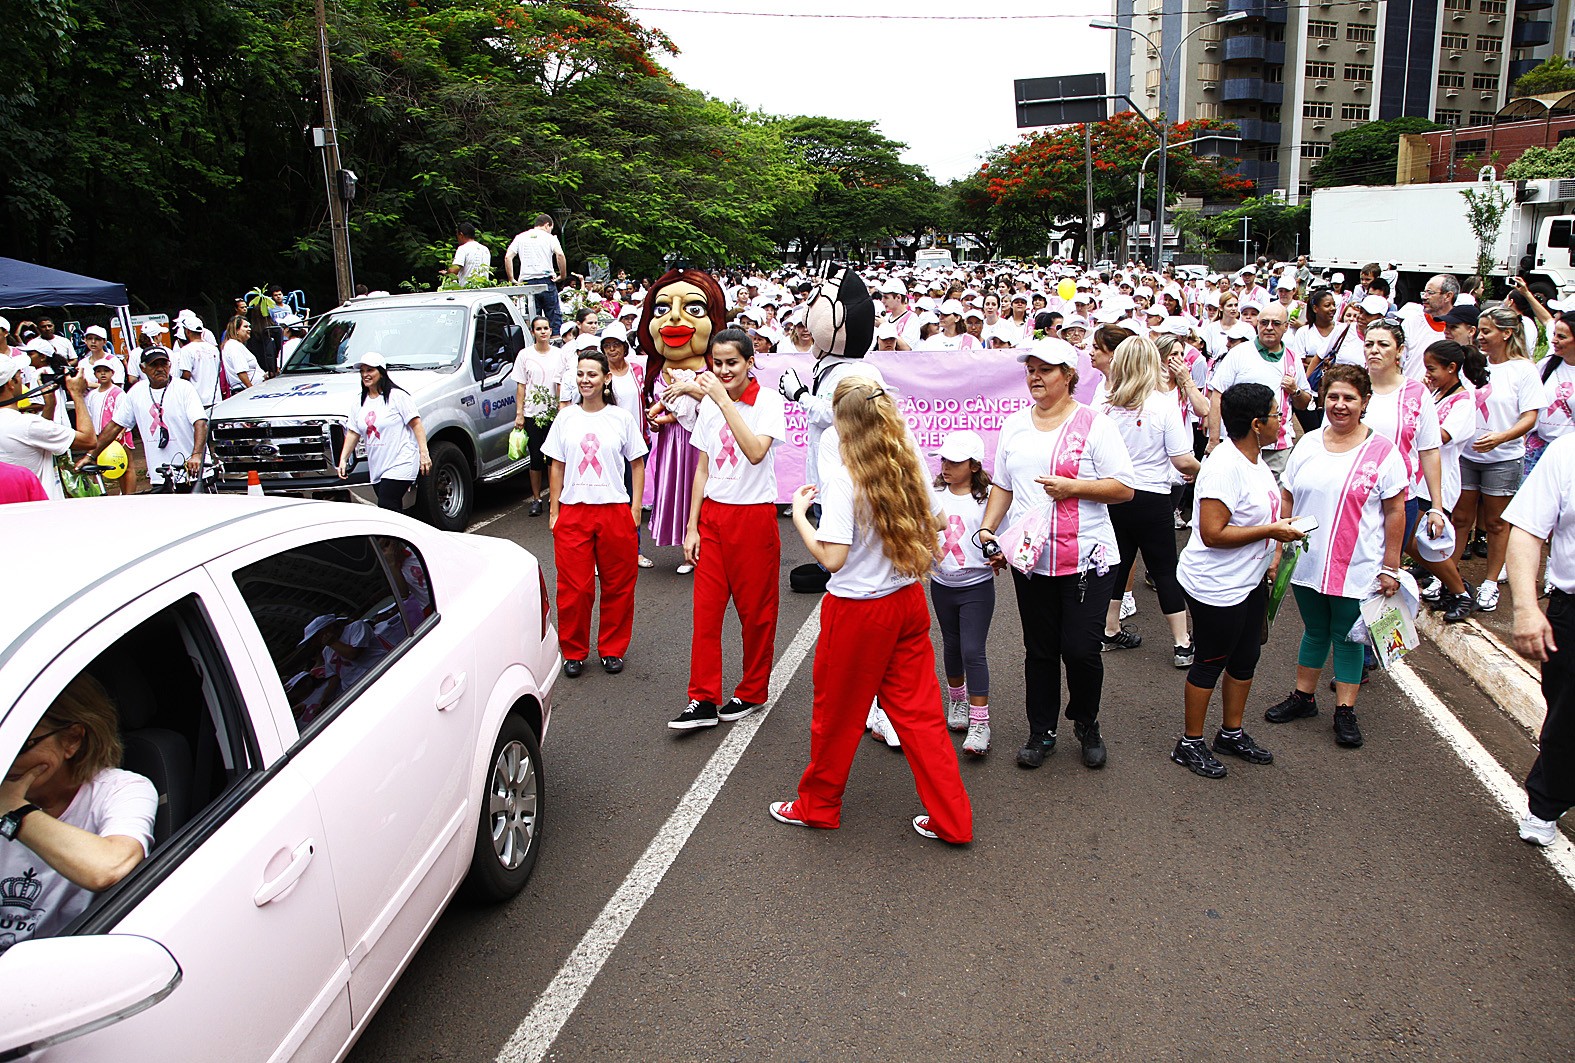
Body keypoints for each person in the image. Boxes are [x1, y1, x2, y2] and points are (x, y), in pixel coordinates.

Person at [769, 376, 973, 845]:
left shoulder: (844, 478)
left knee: (835, 717)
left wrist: (801, 513)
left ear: (843, 422)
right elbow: (939, 520)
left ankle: (818, 806)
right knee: (921, 716)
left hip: (859, 611)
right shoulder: (907, 461)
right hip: (905, 601)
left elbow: (833, 558)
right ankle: (952, 819)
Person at [978, 339, 1136, 771]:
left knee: (1082, 650)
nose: (1035, 376)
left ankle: (1086, 722)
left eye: (1045, 369)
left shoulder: (1094, 424)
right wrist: (989, 528)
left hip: (1087, 558)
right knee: (1040, 650)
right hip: (1033, 561)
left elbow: (1123, 487)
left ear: (1068, 375)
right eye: (1030, 368)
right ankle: (1040, 729)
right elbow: (1003, 486)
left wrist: (1074, 487)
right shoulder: (1014, 425)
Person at [1266, 365, 1408, 749]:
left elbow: (1396, 511)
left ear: (1364, 403)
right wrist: (1278, 551)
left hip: (1357, 565)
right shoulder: (1308, 443)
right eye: (1333, 397)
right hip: (1308, 561)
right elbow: (1288, 498)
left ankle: (1344, 710)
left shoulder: (1383, 451)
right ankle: (1303, 697)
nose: (1340, 405)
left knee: (1347, 638)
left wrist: (1391, 567)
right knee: (1314, 630)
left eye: (1349, 398)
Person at [1173, 383, 1305, 778]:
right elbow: (1212, 533)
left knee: (1247, 657)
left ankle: (1230, 732)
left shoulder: (1255, 459)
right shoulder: (1225, 467)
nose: (1281, 420)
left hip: (1247, 582)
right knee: (1210, 661)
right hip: (1216, 586)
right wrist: (1272, 532)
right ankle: (1190, 742)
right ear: (1256, 423)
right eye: (1276, 414)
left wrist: (1274, 540)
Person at [670, 330, 786, 730]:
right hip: (714, 520)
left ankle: (752, 690)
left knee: (756, 614)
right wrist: (692, 526)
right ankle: (702, 698)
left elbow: (755, 452)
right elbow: (702, 469)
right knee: (706, 613)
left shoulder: (767, 402)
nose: (723, 370)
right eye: (717, 363)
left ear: (750, 362)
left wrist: (721, 399)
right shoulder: (710, 408)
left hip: (753, 518)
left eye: (732, 362)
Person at [0, 673, 157, 953]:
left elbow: (108, 867)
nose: (7, 760)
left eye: (22, 746)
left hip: (64, 968)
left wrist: (14, 810)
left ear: (72, 739)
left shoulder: (122, 789)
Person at [1095, 335, 1201, 665]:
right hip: (1153, 496)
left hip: (1113, 496)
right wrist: (1208, 473)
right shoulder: (1162, 406)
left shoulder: (1104, 407)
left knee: (1119, 563)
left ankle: (1109, 630)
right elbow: (1183, 460)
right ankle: (1182, 642)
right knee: (1164, 570)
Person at [544, 348, 647, 677]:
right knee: (575, 588)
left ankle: (612, 648)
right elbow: (556, 465)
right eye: (581, 374)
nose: (585, 380)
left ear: (606, 379)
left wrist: (635, 508)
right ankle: (573, 651)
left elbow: (638, 464)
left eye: (592, 374)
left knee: (619, 585)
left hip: (615, 510)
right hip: (574, 512)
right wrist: (554, 510)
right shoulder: (566, 418)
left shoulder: (621, 418)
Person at [1505, 432, 1575, 846]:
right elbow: (1528, 530)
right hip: (1572, 609)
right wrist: (1526, 608)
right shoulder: (1567, 451)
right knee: (1567, 724)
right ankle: (1547, 801)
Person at [1456, 304, 1543, 613]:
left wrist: (1501, 437)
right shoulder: (1472, 364)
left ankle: (1491, 582)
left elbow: (1529, 416)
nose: (1480, 337)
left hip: (1504, 458)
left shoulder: (1524, 370)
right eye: (1479, 331)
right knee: (1460, 519)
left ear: (1507, 334)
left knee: (1495, 522)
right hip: (1466, 455)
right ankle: (1449, 578)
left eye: (1487, 331)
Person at [640, 268, 726, 574]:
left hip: (697, 443)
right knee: (675, 491)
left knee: (698, 490)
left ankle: (706, 545)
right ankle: (685, 547)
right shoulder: (652, 372)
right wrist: (656, 421)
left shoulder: (719, 369)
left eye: (694, 308)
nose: (674, 318)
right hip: (668, 445)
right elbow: (654, 409)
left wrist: (691, 390)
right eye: (662, 309)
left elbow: (723, 406)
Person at [930, 429, 996, 756]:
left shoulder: (987, 498)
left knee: (973, 649)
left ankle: (980, 721)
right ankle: (957, 702)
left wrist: (1000, 553)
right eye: (943, 459)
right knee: (952, 645)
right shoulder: (934, 493)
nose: (946, 466)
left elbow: (1003, 534)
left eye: (955, 462)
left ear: (973, 465)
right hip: (942, 585)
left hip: (977, 587)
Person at [1417, 340, 1488, 623]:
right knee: (1416, 541)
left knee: (1427, 542)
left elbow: (1440, 437)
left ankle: (1460, 591)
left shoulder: (1464, 401)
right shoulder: (1436, 394)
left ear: (1452, 368)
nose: (1428, 374)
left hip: (1440, 481)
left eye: (1432, 369)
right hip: (1419, 478)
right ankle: (1447, 585)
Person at [1206, 302, 1311, 479]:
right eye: (1264, 323)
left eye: (1276, 323)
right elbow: (1217, 396)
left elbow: (1304, 403)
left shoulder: (1292, 358)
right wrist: (1214, 441)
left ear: (1286, 327)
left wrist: (1295, 390)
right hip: (1240, 443)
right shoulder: (1239, 353)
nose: (1269, 328)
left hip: (1277, 447)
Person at [80, 346, 208, 490]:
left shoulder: (184, 388)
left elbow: (200, 423)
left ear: (170, 365)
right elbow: (116, 425)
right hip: (160, 475)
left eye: (163, 364)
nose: (160, 369)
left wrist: (196, 455)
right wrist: (91, 456)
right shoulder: (136, 392)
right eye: (154, 365)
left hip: (192, 473)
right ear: (143, 368)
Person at [335, 352, 431, 511]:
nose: (365, 375)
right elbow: (353, 432)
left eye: (370, 370)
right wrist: (343, 459)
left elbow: (416, 424)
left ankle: (391, 537)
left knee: (387, 504)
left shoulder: (397, 396)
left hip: (401, 460)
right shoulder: (359, 402)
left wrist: (423, 453)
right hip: (378, 465)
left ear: (381, 372)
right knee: (391, 508)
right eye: (362, 371)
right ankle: (405, 534)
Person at [0, 358, 95, 500]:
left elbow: (36, 438)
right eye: (19, 375)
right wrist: (77, 394)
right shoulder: (27, 424)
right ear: (10, 384)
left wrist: (50, 406)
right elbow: (88, 440)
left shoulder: (25, 424)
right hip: (41, 506)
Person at [511, 316, 565, 517]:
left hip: (554, 413)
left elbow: (564, 384)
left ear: (551, 331)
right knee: (535, 458)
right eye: (538, 329)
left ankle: (554, 497)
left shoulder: (560, 355)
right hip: (533, 413)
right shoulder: (524, 355)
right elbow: (521, 386)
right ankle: (536, 499)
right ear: (532, 332)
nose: (543, 332)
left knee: (554, 458)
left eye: (546, 328)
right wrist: (520, 414)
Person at [504, 213, 568, 334]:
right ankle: (556, 342)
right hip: (546, 280)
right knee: (553, 317)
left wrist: (512, 278)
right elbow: (560, 255)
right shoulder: (550, 238)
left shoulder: (520, 237)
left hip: (528, 283)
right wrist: (562, 275)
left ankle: (535, 344)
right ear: (547, 225)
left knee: (534, 320)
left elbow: (508, 257)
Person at [85, 359, 138, 496]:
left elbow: (125, 414)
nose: (103, 374)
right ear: (95, 374)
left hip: (120, 435)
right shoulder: (92, 395)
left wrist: (121, 431)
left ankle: (129, 495)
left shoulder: (118, 393)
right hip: (101, 436)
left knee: (126, 466)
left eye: (106, 371)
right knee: (105, 466)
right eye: (99, 371)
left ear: (112, 373)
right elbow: (90, 416)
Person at [173, 310, 223, 410]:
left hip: (197, 399)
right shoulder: (213, 349)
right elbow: (219, 370)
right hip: (216, 398)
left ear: (187, 331)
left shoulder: (186, 350)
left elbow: (186, 375)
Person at [220, 316, 261, 394]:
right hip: (246, 391)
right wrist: (251, 390)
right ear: (236, 330)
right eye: (245, 327)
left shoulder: (235, 345)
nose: (249, 329)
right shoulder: (234, 346)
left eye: (249, 326)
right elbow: (241, 371)